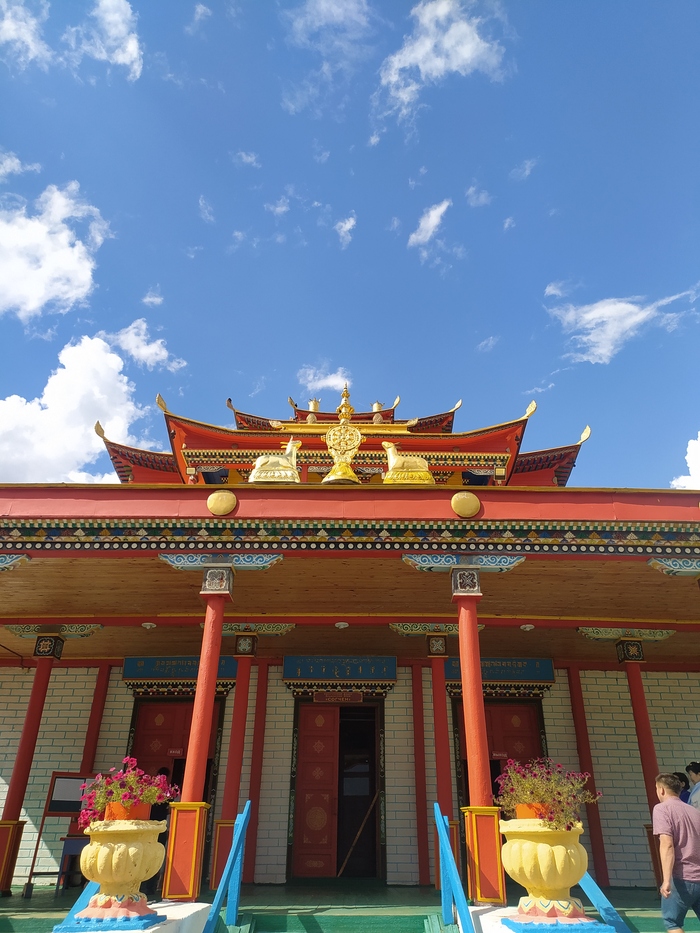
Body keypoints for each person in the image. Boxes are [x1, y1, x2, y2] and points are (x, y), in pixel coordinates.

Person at [653, 773, 700, 933]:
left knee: (672, 923)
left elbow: (667, 845)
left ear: (661, 790)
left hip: (681, 877)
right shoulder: (694, 811)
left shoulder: (661, 809)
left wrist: (666, 880)